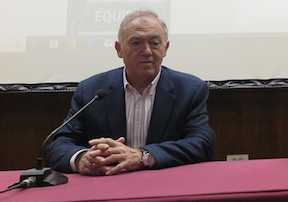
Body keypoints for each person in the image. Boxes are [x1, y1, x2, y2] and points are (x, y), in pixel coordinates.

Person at [44, 9, 215, 175]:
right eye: (136, 43)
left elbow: (202, 144)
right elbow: (59, 145)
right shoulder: (91, 90)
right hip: (108, 183)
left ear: (166, 47)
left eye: (155, 43)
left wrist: (144, 155)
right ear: (119, 49)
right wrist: (82, 158)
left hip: (165, 183)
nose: (147, 51)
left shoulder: (189, 89)